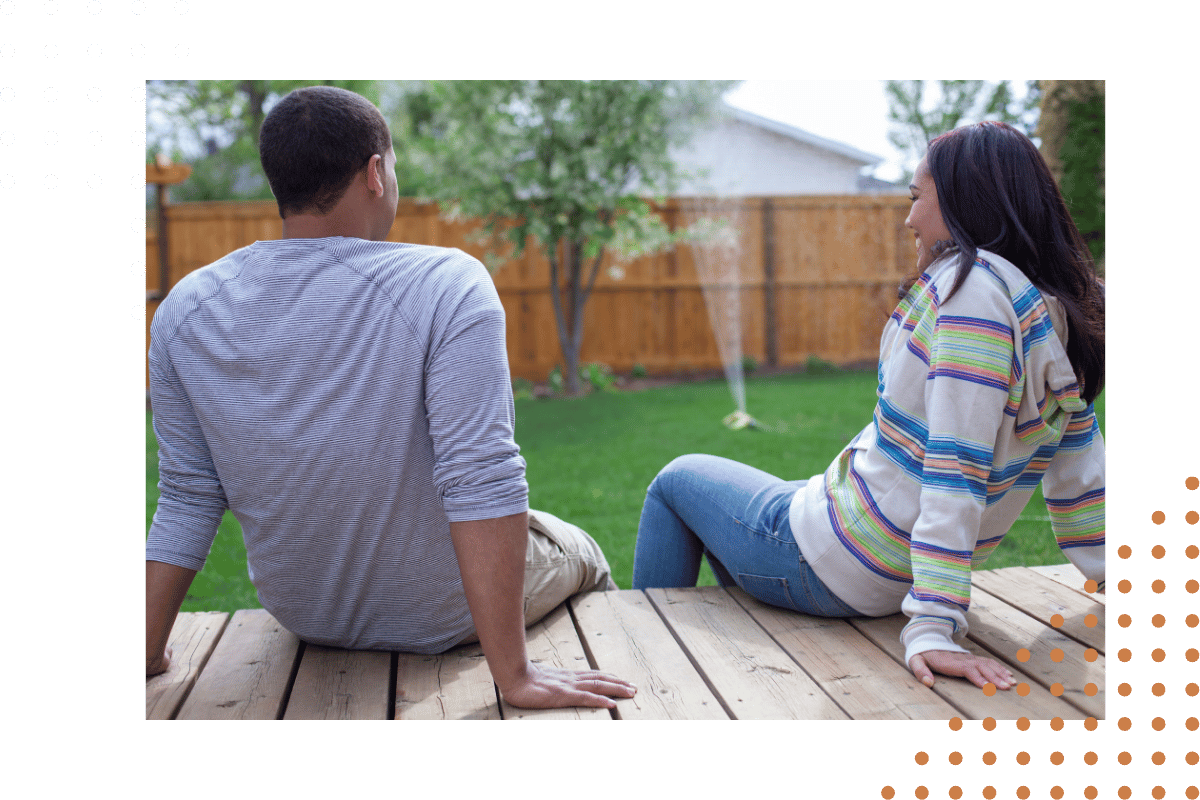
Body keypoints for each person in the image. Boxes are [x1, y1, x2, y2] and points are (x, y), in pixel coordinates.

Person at [145, 85, 636, 710]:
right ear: (375, 173)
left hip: (303, 612)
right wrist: (513, 679)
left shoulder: (187, 305)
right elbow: (481, 476)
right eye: (394, 164)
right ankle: (624, 669)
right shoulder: (446, 285)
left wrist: (145, 647)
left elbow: (188, 492)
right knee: (582, 550)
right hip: (442, 613)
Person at [632, 121, 1105, 690]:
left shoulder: (973, 297)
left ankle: (646, 666)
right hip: (870, 556)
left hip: (838, 563)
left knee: (675, 480)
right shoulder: (1049, 310)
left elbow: (955, 468)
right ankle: (735, 646)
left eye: (916, 198)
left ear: (963, 200)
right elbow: (1080, 470)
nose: (908, 218)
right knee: (742, 503)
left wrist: (933, 626)